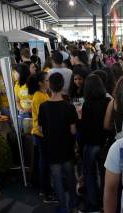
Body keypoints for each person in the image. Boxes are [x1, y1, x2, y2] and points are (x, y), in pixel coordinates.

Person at [38, 73, 78, 212]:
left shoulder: (43, 107)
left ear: (50, 86)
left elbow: (40, 129)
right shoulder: (69, 107)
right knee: (70, 176)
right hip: (67, 147)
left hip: (51, 147)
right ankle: (73, 203)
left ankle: (63, 206)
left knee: (57, 179)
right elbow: (73, 130)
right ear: (63, 86)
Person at [79, 74, 111, 212]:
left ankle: (93, 203)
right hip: (105, 143)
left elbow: (84, 127)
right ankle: (105, 203)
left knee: (90, 174)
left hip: (91, 143)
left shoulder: (87, 103)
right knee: (104, 175)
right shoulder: (108, 100)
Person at [27, 72, 56, 203]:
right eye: (47, 80)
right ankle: (46, 192)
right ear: (41, 83)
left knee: (43, 164)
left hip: (41, 134)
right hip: (41, 134)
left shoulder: (43, 94)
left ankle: (44, 190)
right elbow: (41, 121)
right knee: (44, 164)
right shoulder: (39, 97)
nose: (49, 81)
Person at [14, 63, 32, 132]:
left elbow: (37, 100)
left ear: (21, 73)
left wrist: (28, 110)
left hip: (33, 113)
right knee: (23, 133)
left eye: (15, 72)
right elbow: (17, 101)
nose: (14, 74)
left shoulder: (31, 83)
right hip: (22, 114)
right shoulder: (17, 85)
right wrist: (21, 109)